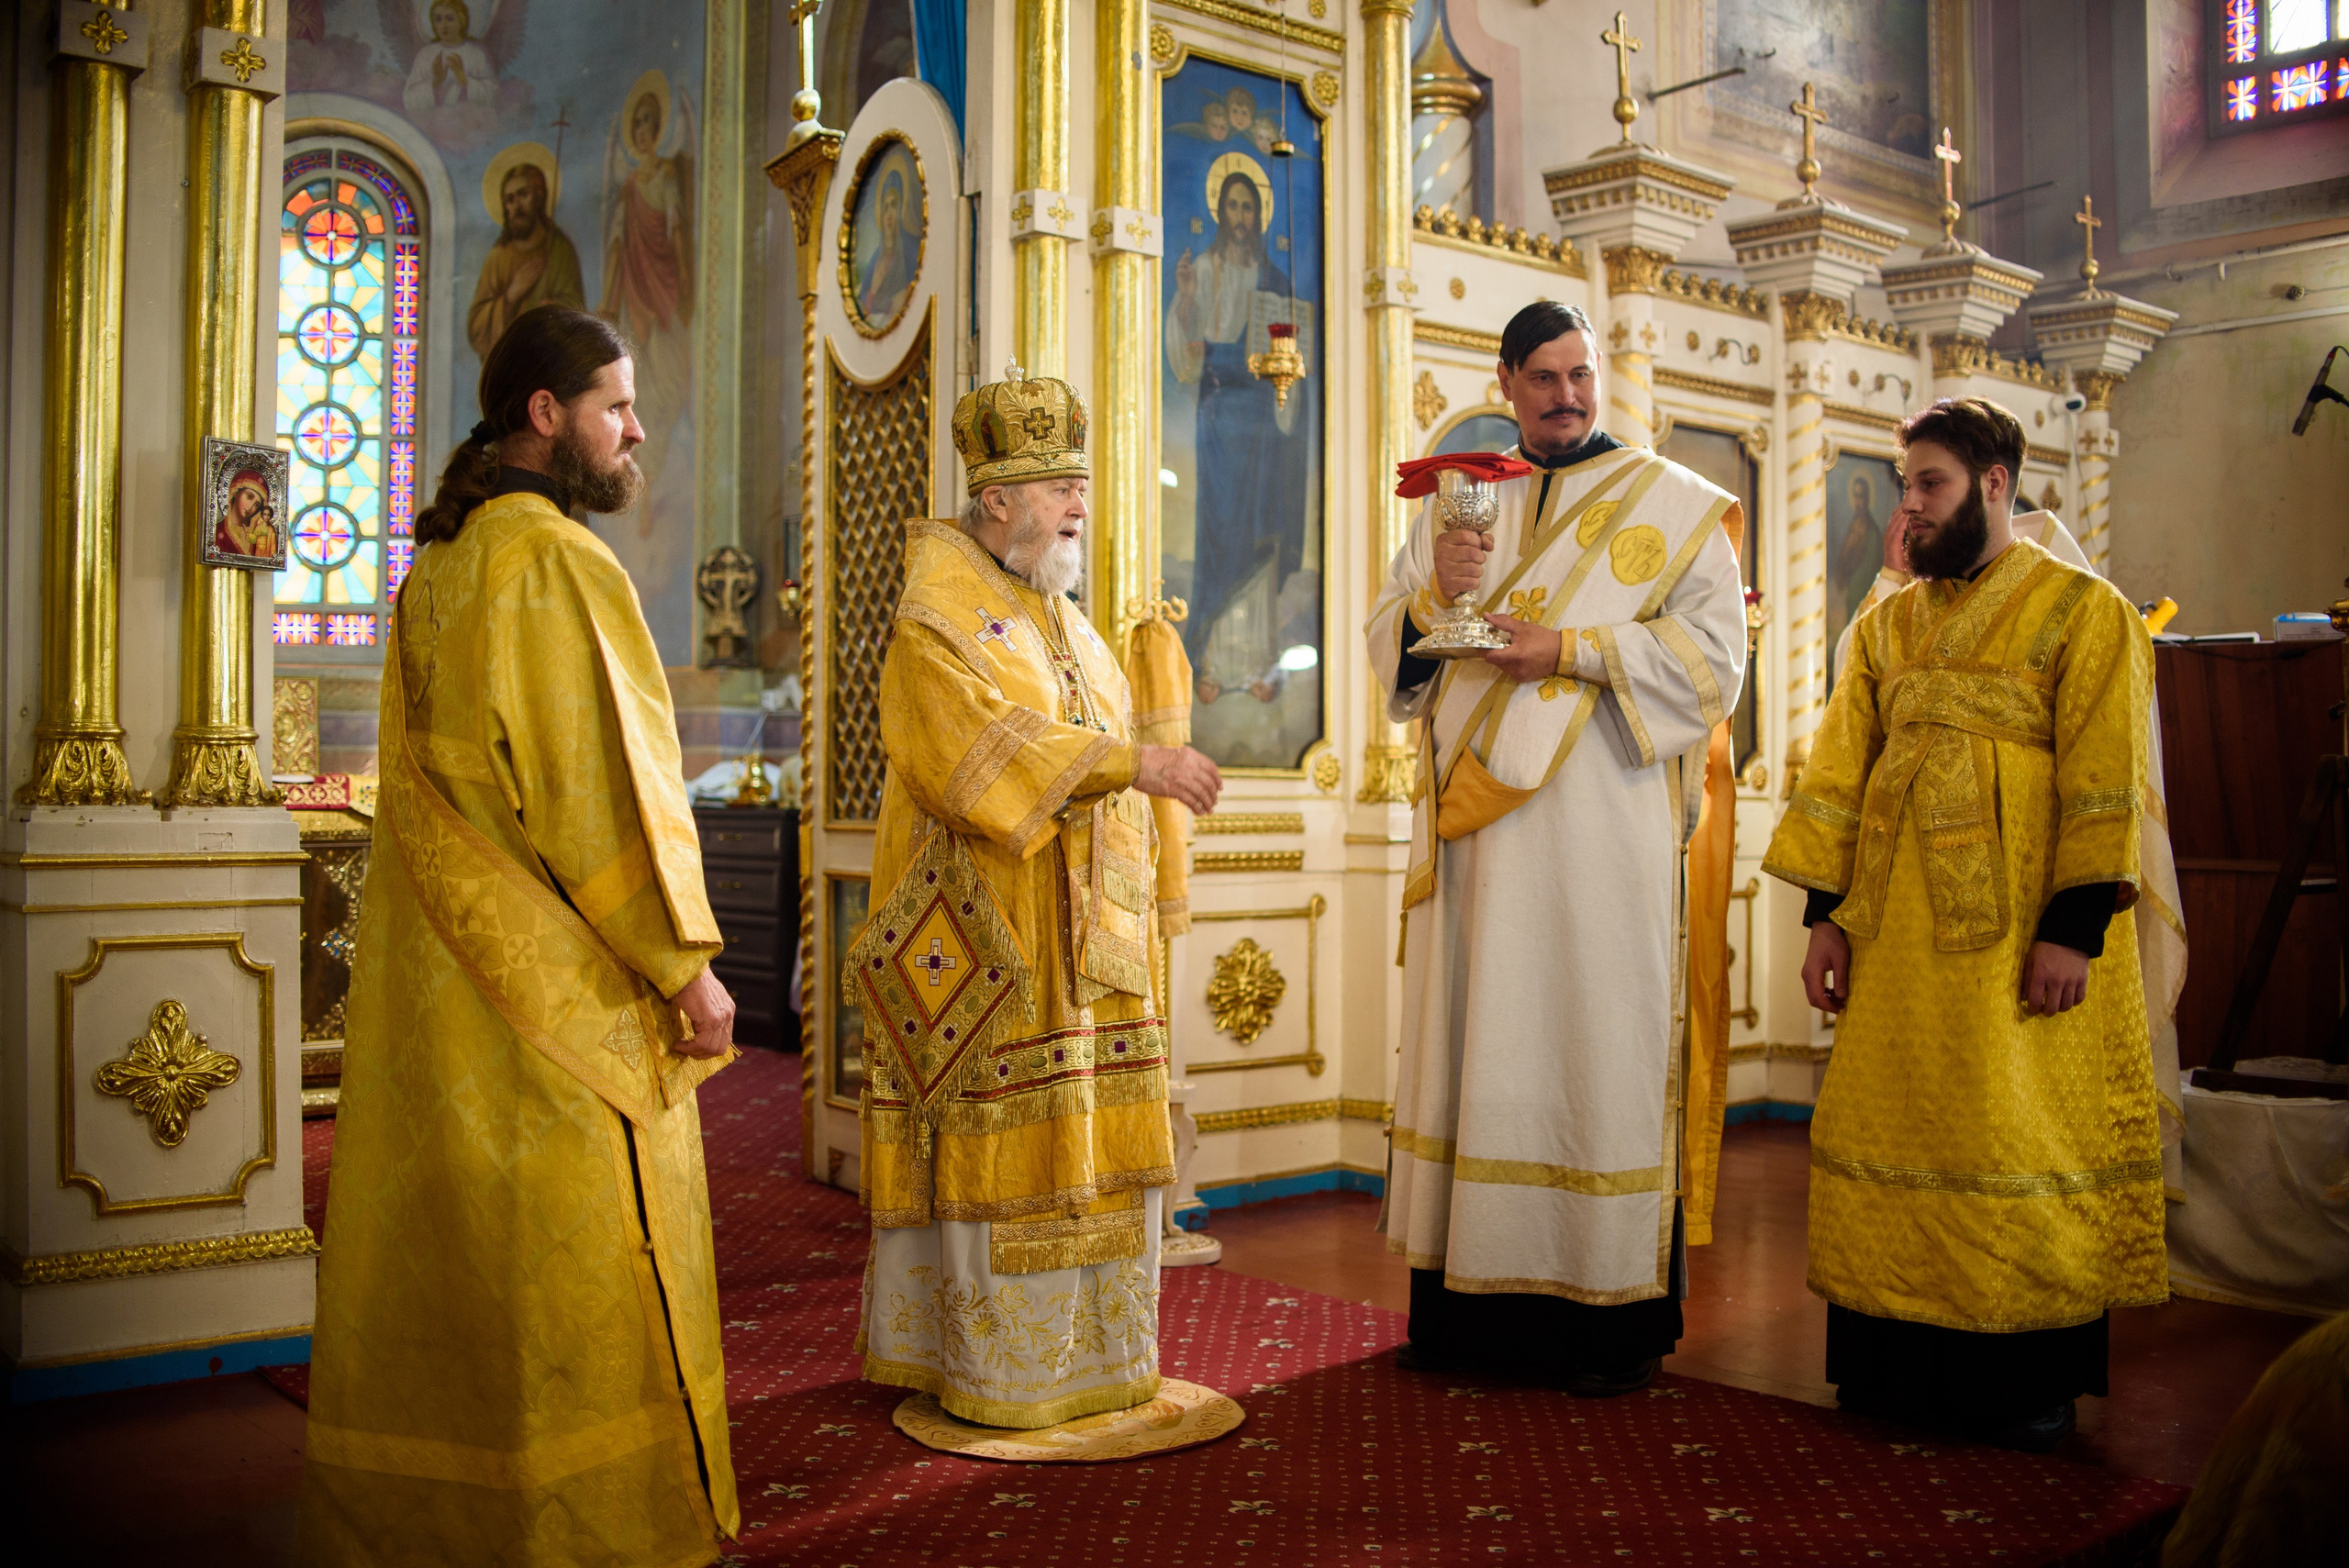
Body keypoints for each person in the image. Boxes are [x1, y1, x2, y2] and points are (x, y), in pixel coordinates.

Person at [299, 306, 741, 1563]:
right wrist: (684, 967)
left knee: (468, 1255)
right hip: (564, 996)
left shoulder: (436, 568)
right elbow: (601, 790)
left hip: (452, 990)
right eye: (615, 404)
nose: (637, 429)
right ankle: (601, 1528)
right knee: (573, 1264)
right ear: (545, 417)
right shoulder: (552, 562)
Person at [1763, 395, 2167, 1452]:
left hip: (2017, 945)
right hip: (1895, 948)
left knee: (2011, 1131)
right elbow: (1839, 771)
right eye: (1905, 486)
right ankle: (1890, 1362)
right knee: (1889, 1125)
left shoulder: (2086, 611)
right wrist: (1824, 920)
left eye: (1930, 484)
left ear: (1994, 483)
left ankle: (2018, 1374)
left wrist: (2071, 930)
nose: (1911, 507)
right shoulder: (1885, 624)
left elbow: (2104, 779)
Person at [1367, 300, 1749, 1396]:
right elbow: (1398, 646)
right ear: (1507, 379)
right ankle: (1463, 1320)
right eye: (1543, 377)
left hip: (1596, 838)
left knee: (1586, 1043)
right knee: (1476, 1039)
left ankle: (1597, 1322)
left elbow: (1716, 663)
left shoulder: (1671, 507)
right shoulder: (1460, 498)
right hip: (1476, 854)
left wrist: (1571, 648)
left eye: (1580, 373)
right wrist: (1434, 595)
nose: (1567, 394)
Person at [856, 361, 1222, 1429]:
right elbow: (964, 750)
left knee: (1097, 1145)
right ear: (996, 501)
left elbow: (1094, 733)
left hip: (1090, 954)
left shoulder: (1068, 618)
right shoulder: (939, 616)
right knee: (1004, 1139)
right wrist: (1130, 766)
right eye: (1057, 485)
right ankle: (991, 1366)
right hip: (990, 950)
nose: (1077, 504)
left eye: (1080, 484)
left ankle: (1092, 1356)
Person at [1166, 165, 1309, 703]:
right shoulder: (1202, 269)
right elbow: (1186, 352)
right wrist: (1184, 296)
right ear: (1219, 212)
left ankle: (1254, 664)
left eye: (1249, 208)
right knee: (1220, 534)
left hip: (1263, 421)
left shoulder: (1275, 280)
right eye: (1233, 207)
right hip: (1221, 413)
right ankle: (1209, 659)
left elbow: (1297, 355)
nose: (1241, 218)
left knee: (1257, 533)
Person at [467, 160, 585, 360]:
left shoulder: (558, 249)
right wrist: (511, 296)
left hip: (548, 362)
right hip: (510, 365)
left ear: (539, 197)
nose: (516, 206)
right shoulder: (499, 256)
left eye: (523, 194)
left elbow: (578, 312)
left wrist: (555, 310)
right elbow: (477, 330)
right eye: (509, 199)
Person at [214, 469, 279, 560]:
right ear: (235, 492)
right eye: (249, 496)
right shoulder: (216, 531)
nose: (251, 506)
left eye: (257, 505)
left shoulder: (258, 536)